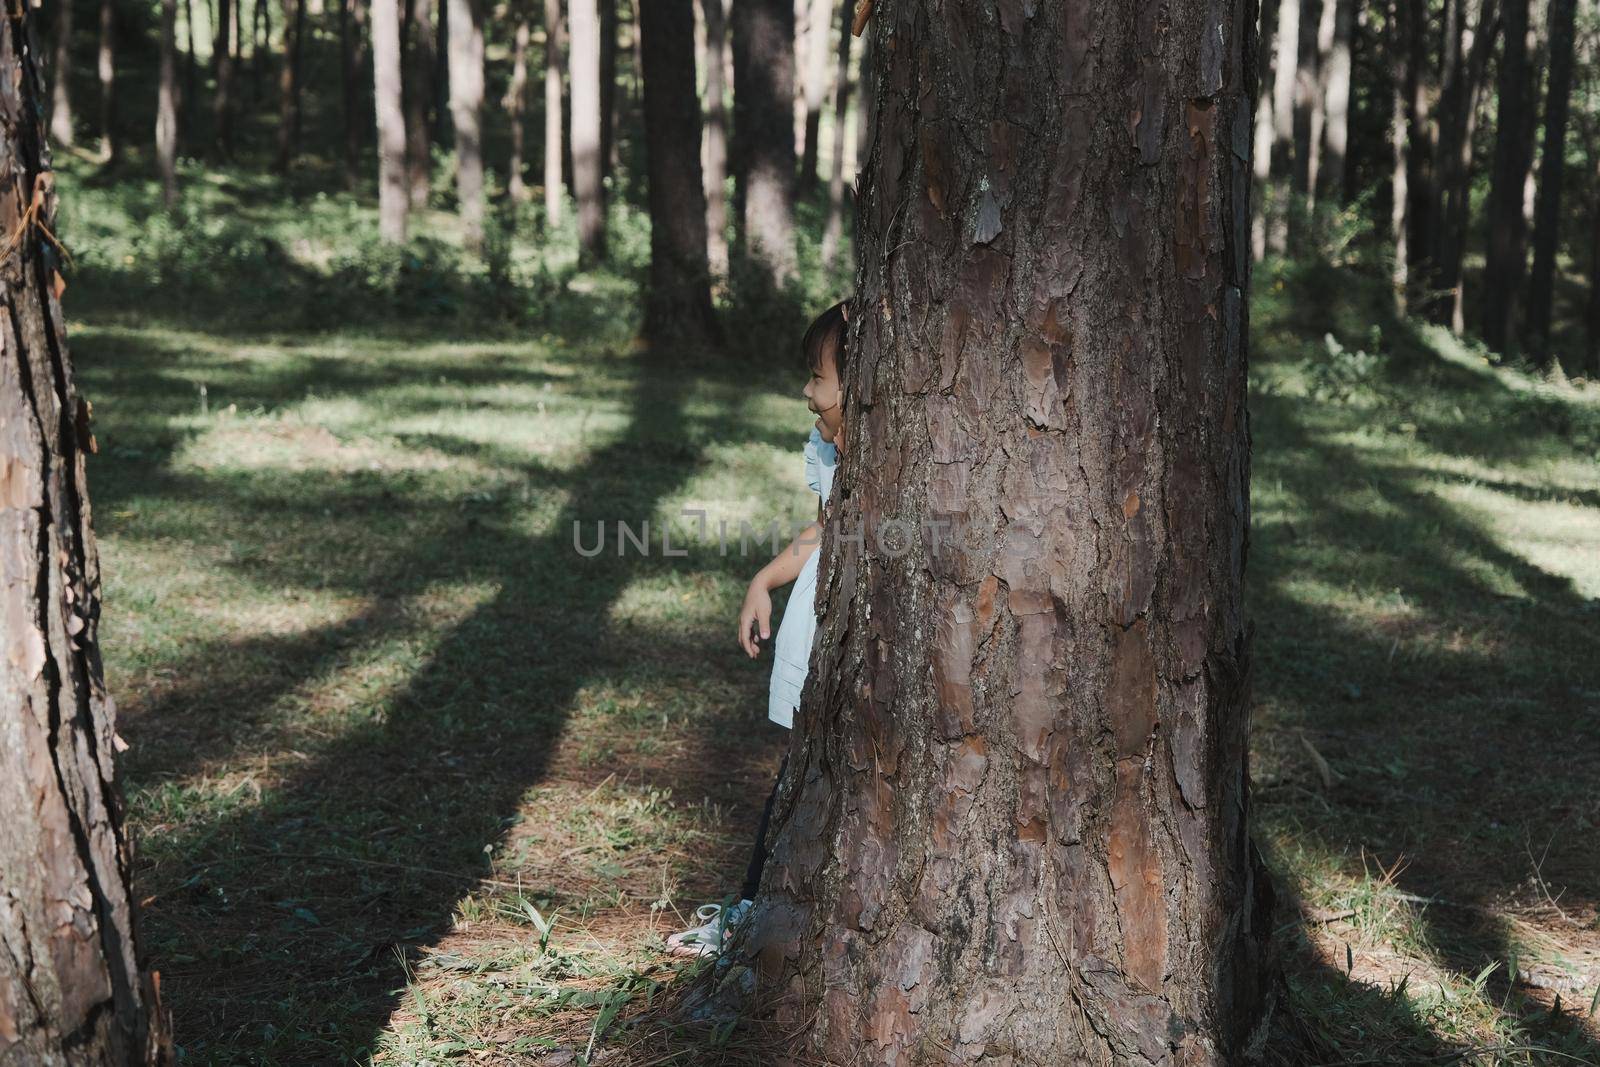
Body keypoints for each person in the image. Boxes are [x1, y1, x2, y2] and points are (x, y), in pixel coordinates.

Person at [665, 301, 849, 957]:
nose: (807, 391)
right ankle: (751, 908)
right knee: (796, 776)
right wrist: (761, 581)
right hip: (816, 638)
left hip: (854, 646)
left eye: (818, 376)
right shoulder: (829, 451)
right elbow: (821, 530)